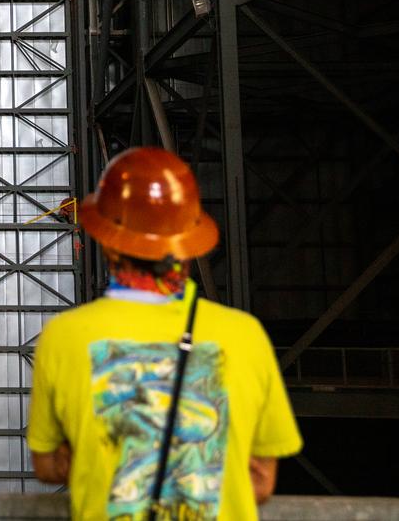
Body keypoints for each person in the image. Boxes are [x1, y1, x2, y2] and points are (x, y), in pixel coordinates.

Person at [27, 147, 302, 521]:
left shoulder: (64, 335)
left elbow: (47, 466)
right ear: (190, 242)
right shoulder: (245, 335)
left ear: (107, 240)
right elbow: (261, 481)